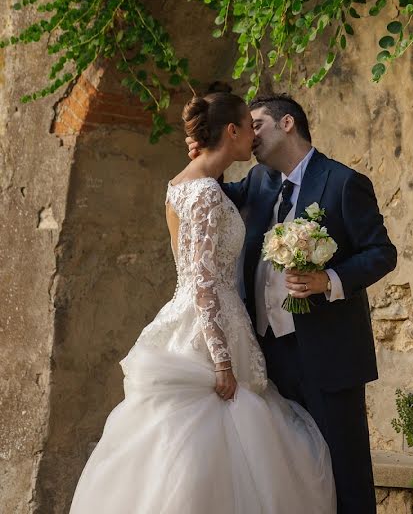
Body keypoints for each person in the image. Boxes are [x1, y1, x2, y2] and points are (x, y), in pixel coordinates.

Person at [70, 92, 336, 513]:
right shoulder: (207, 195)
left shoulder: (183, 185)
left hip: (196, 320)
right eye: (250, 126)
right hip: (210, 330)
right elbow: (203, 282)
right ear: (232, 131)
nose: (254, 135)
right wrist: (222, 360)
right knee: (217, 446)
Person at [188, 94, 397, 514]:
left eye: (257, 124)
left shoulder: (342, 183)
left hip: (329, 356)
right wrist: (204, 152)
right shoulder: (258, 183)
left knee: (345, 475)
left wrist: (329, 280)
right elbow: (206, 196)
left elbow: (381, 253)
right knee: (293, 476)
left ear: (287, 123)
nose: (250, 133)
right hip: (268, 355)